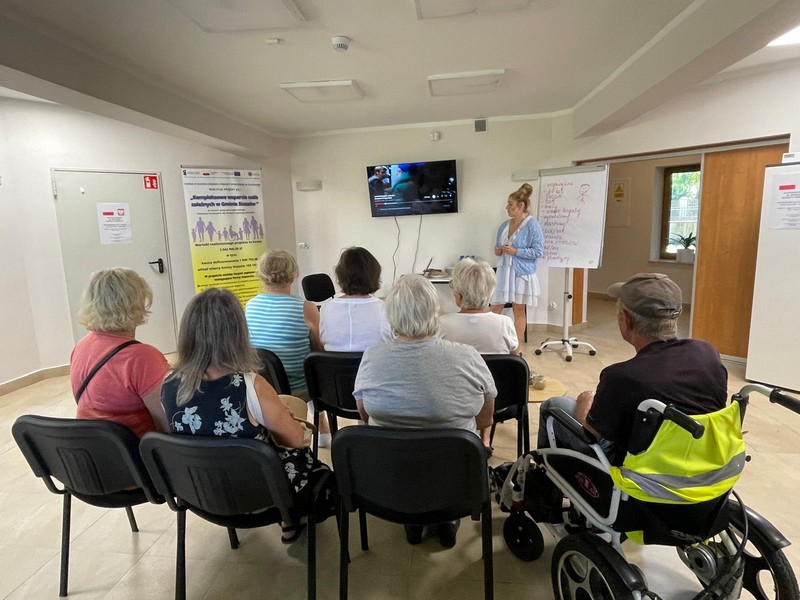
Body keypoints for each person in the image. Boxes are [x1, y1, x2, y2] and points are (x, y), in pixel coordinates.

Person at [161, 288, 335, 542]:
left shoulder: (168, 384)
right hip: (263, 495)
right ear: (237, 334)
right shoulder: (250, 385)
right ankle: (289, 519)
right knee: (321, 471)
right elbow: (296, 440)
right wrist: (285, 419)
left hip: (202, 491)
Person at [353, 275, 496, 548]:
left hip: (389, 479)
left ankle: (412, 524)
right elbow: (485, 419)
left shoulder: (372, 356)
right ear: (436, 312)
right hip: (457, 480)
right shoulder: (466, 356)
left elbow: (365, 415)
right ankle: (446, 522)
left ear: (392, 315)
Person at [537, 273, 728, 465]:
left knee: (554, 405)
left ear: (625, 320)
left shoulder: (621, 376)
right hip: (705, 469)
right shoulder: (708, 352)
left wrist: (586, 400)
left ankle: (543, 487)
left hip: (641, 478)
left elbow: (590, 434)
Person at [245, 250, 331, 445]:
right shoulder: (305, 307)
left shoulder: (250, 306)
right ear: (294, 275)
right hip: (298, 387)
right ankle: (323, 427)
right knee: (316, 365)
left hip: (263, 386)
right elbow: (319, 348)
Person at [71, 267, 169, 436]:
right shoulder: (143, 358)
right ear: (134, 302)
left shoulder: (81, 346)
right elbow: (168, 423)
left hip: (93, 452)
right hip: (135, 454)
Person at [490, 183, 544, 347]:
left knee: (518, 309)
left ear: (521, 206)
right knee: (495, 308)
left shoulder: (532, 225)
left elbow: (537, 251)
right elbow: (497, 247)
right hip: (504, 272)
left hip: (521, 273)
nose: (507, 207)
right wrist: (498, 251)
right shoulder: (504, 226)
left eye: (510, 204)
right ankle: (492, 342)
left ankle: (516, 346)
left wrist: (516, 251)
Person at [320, 247, 392, 352]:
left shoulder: (326, 308)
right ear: (374, 274)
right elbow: (391, 343)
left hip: (332, 367)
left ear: (340, 275)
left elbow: (323, 341)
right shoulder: (385, 308)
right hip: (372, 367)